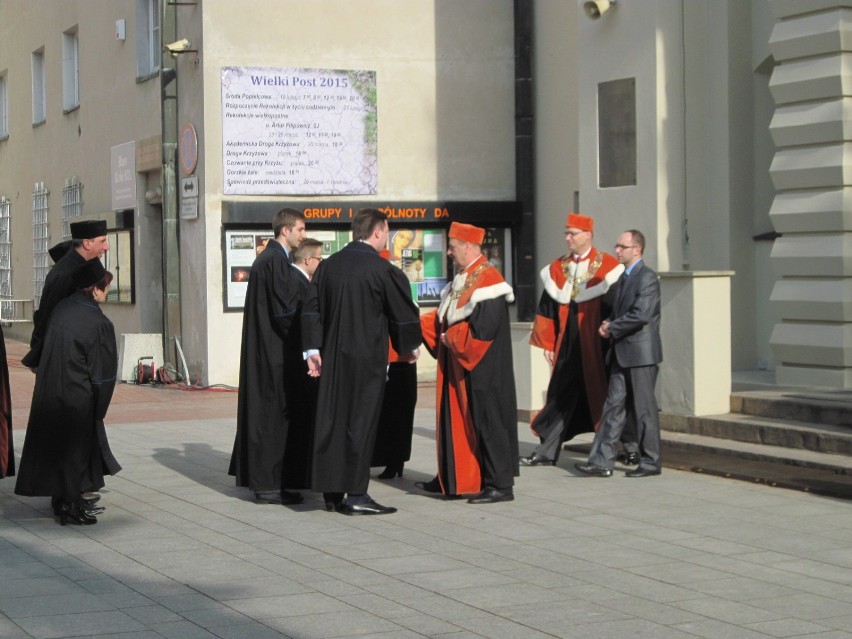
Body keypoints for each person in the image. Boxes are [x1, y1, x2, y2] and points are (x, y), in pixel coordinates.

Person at [303, 208, 422, 516]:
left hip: (332, 359)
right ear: (378, 232)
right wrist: (409, 348)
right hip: (366, 361)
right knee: (361, 424)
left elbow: (311, 308)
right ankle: (356, 494)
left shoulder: (328, 266)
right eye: (386, 232)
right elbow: (403, 312)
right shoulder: (382, 270)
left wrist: (312, 349)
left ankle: (332, 493)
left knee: (333, 420)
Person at [417, 222, 519, 504]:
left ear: (469, 246)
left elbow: (484, 329)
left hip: (483, 367)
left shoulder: (489, 280)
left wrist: (451, 337)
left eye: (452, 246)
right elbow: (445, 318)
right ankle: (452, 477)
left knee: (488, 421)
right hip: (458, 365)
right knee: (454, 421)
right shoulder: (464, 276)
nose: (448, 252)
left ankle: (499, 484)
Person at [521, 213, 634, 466]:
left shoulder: (607, 267)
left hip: (599, 344)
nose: (568, 238)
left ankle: (630, 445)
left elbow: (617, 306)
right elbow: (547, 307)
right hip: (568, 345)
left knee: (609, 394)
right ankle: (548, 450)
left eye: (573, 233)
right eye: (566, 233)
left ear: (588, 235)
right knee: (560, 394)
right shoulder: (556, 269)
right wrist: (548, 343)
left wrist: (613, 332)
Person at [15, 259, 119, 525]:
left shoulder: (63, 308)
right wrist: (99, 406)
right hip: (78, 394)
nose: (107, 292)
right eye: (105, 287)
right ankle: (71, 507)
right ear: (94, 289)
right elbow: (102, 374)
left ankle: (62, 500)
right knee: (75, 452)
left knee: (59, 448)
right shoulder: (98, 322)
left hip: (51, 391)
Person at [229, 208, 309, 505]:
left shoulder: (273, 260)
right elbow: (285, 311)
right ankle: (268, 484)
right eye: (300, 229)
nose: (303, 234)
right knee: (272, 418)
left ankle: (276, 481)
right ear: (285, 230)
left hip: (269, 352)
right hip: (273, 354)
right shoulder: (273, 261)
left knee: (274, 418)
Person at [576, 229, 663, 478]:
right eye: (617, 246)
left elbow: (641, 314)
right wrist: (609, 323)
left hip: (641, 355)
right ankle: (602, 462)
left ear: (637, 249)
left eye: (622, 247)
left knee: (644, 410)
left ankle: (650, 462)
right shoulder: (624, 278)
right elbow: (620, 310)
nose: (617, 251)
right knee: (612, 407)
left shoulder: (646, 277)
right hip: (622, 352)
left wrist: (612, 327)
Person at [22, 220, 110, 370]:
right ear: (87, 244)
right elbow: (48, 315)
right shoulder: (66, 273)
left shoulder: (78, 266)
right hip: (62, 360)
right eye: (102, 241)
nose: (106, 247)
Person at [372, 249, 418, 480]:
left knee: (389, 414)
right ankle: (394, 461)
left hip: (392, 355)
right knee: (397, 414)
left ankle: (392, 461)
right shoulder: (398, 278)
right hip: (398, 355)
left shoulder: (389, 278)